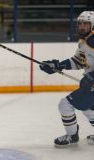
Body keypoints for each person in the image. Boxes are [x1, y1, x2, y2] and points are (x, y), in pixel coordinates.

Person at [39, 11, 94, 147]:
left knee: (65, 104)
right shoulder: (85, 41)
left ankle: (72, 136)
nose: (81, 27)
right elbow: (78, 61)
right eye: (80, 24)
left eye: (85, 24)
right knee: (87, 108)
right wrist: (58, 65)